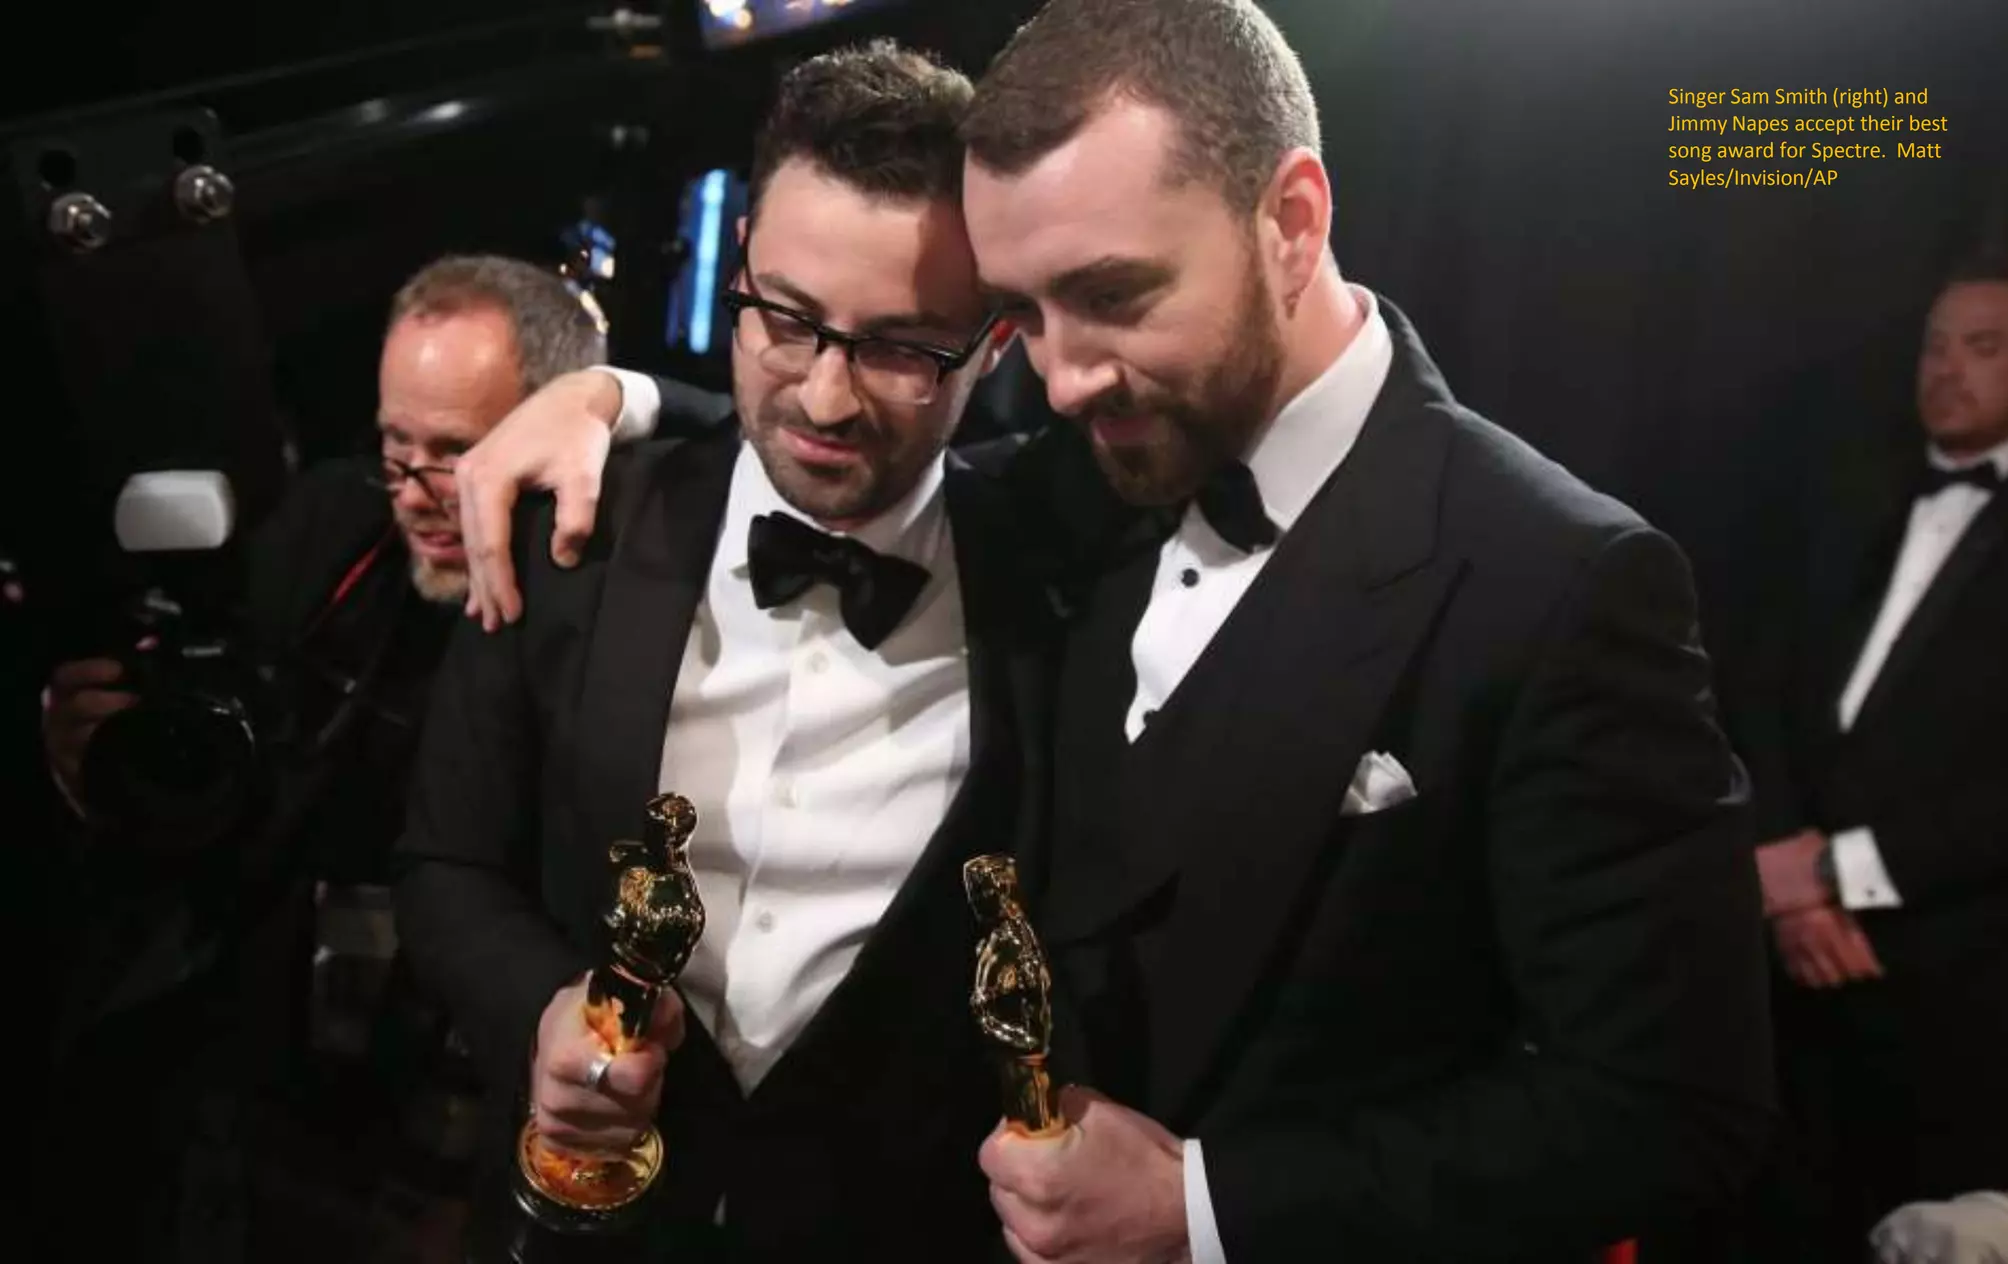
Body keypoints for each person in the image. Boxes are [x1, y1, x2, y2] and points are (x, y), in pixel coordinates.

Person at [453, 3, 1776, 1259]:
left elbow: (1673, 1109)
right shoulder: (1089, 473)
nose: (1065, 377)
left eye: (1115, 295)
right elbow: (831, 442)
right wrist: (614, 398)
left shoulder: (1562, 580)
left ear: (1292, 221)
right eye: (1026, 315)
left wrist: (1205, 1210)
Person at [391, 42, 1044, 1262]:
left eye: (902, 348)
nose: (826, 398)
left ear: (995, 342)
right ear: (737, 260)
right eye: (784, 321)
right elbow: (442, 863)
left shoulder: (1056, 574)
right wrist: (541, 1012)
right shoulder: (572, 527)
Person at [39, 253, 606, 1259]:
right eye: (397, 448)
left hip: (489, 1096)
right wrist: (110, 763)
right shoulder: (329, 525)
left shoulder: (612, 599)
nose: (418, 493)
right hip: (267, 1071)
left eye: (457, 453)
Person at [1728, 257, 2008, 1261]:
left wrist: (1835, 871)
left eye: (1982, 348)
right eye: (1935, 346)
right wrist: (1785, 873)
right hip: (1779, 967)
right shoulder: (1851, 487)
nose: (1946, 369)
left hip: (1957, 986)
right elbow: (1758, 679)